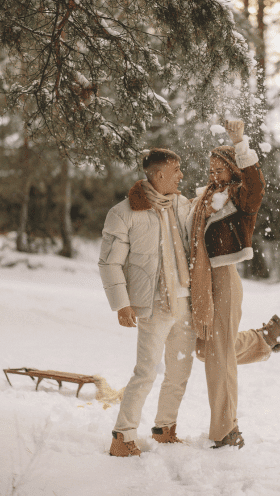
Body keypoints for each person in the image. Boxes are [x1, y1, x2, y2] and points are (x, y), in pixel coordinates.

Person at [188, 120, 280, 450]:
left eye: (220, 169)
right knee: (206, 349)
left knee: (218, 357)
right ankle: (266, 338)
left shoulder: (239, 198)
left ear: (233, 169)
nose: (213, 174)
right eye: (211, 168)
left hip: (224, 280)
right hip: (205, 281)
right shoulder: (206, 199)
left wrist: (240, 143)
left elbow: (257, 186)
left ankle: (226, 430)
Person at [98, 148, 196, 457]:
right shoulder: (124, 212)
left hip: (185, 302)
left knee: (179, 372)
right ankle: (122, 435)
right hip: (154, 305)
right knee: (145, 373)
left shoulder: (182, 205)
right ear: (158, 175)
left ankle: (164, 428)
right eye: (176, 170)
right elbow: (109, 264)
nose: (181, 175)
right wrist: (122, 304)